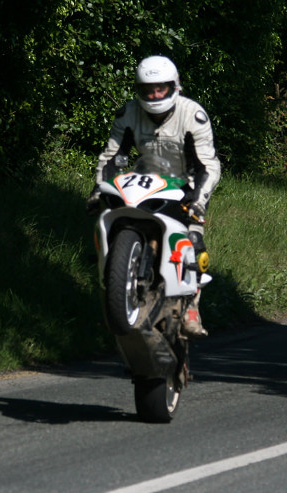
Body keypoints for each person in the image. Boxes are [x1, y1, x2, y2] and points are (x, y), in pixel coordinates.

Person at [87, 55, 221, 338]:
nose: (154, 94)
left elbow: (208, 164)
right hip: (143, 182)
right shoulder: (127, 113)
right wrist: (98, 187)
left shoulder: (193, 114)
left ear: (175, 86)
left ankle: (191, 307)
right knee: (107, 224)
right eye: (148, 89)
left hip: (186, 186)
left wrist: (198, 201)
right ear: (139, 90)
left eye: (161, 88)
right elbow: (112, 156)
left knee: (194, 240)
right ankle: (113, 289)